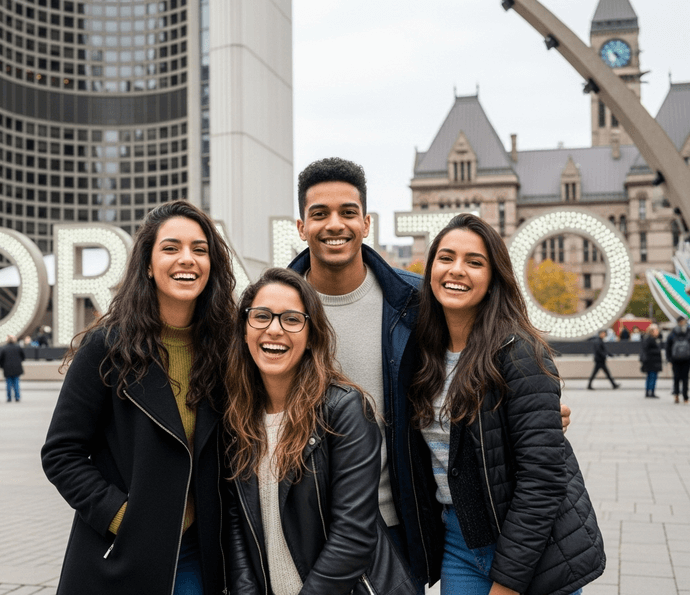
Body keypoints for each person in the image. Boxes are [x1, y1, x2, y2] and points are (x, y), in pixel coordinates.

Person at [286, 157, 571, 593]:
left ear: (366, 222)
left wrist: (538, 415)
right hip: (302, 521)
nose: (334, 225)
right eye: (319, 213)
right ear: (301, 226)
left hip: (399, 524)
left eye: (347, 212)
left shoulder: (415, 304)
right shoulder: (272, 312)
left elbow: (486, 360)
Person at [402, 214, 604, 595]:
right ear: (430, 269)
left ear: (494, 278)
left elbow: (543, 480)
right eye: (445, 258)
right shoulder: (421, 354)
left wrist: (508, 584)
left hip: (533, 552)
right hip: (460, 543)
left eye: (474, 262)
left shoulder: (519, 353)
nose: (456, 270)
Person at [41, 201, 236, 594]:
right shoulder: (107, 347)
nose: (188, 259)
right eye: (171, 248)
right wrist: (123, 518)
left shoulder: (228, 349)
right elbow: (61, 453)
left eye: (200, 249)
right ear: (148, 264)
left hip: (202, 556)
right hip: (123, 554)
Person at [225, 268, 415, 594]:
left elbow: (352, 535)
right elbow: (236, 527)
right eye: (261, 316)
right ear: (244, 329)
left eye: (291, 319)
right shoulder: (236, 416)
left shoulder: (344, 410)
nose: (274, 329)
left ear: (312, 335)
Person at [666, 316, 690, 404]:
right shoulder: (688, 332)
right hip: (686, 359)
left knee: (676, 378)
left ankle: (676, 395)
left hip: (675, 359)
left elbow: (668, 347)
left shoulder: (673, 332)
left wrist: (669, 359)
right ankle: (685, 397)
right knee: (685, 378)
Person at [0, 335, 25, 402]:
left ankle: (9, 397)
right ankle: (17, 397)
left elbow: (0, 359)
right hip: (16, 368)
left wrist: (2, 366)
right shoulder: (18, 347)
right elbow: (23, 357)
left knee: (8, 384)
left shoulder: (4, 348)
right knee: (16, 383)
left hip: (7, 368)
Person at [640, 324, 662, 399]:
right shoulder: (651, 340)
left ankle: (648, 391)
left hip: (650, 361)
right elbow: (649, 350)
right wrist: (657, 351)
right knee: (652, 377)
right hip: (652, 362)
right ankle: (651, 392)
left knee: (650, 377)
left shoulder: (648, 339)